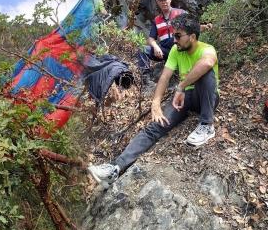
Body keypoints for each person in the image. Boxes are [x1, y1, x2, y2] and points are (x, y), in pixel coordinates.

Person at [88, 14, 219, 189]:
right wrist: (155, 104)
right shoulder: (175, 51)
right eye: (174, 35)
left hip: (205, 97)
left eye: (178, 36)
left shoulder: (207, 48)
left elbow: (208, 61)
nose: (175, 40)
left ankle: (206, 124)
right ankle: (115, 167)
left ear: (193, 37)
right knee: (155, 126)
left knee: (206, 72)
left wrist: (180, 86)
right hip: (185, 99)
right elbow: (164, 77)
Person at [139, 0, 212, 87]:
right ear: (157, 2)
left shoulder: (181, 13)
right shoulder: (156, 20)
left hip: (180, 49)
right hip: (165, 51)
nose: (163, 1)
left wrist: (204, 27)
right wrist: (156, 47)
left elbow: (192, 27)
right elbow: (151, 38)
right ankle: (146, 79)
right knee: (142, 49)